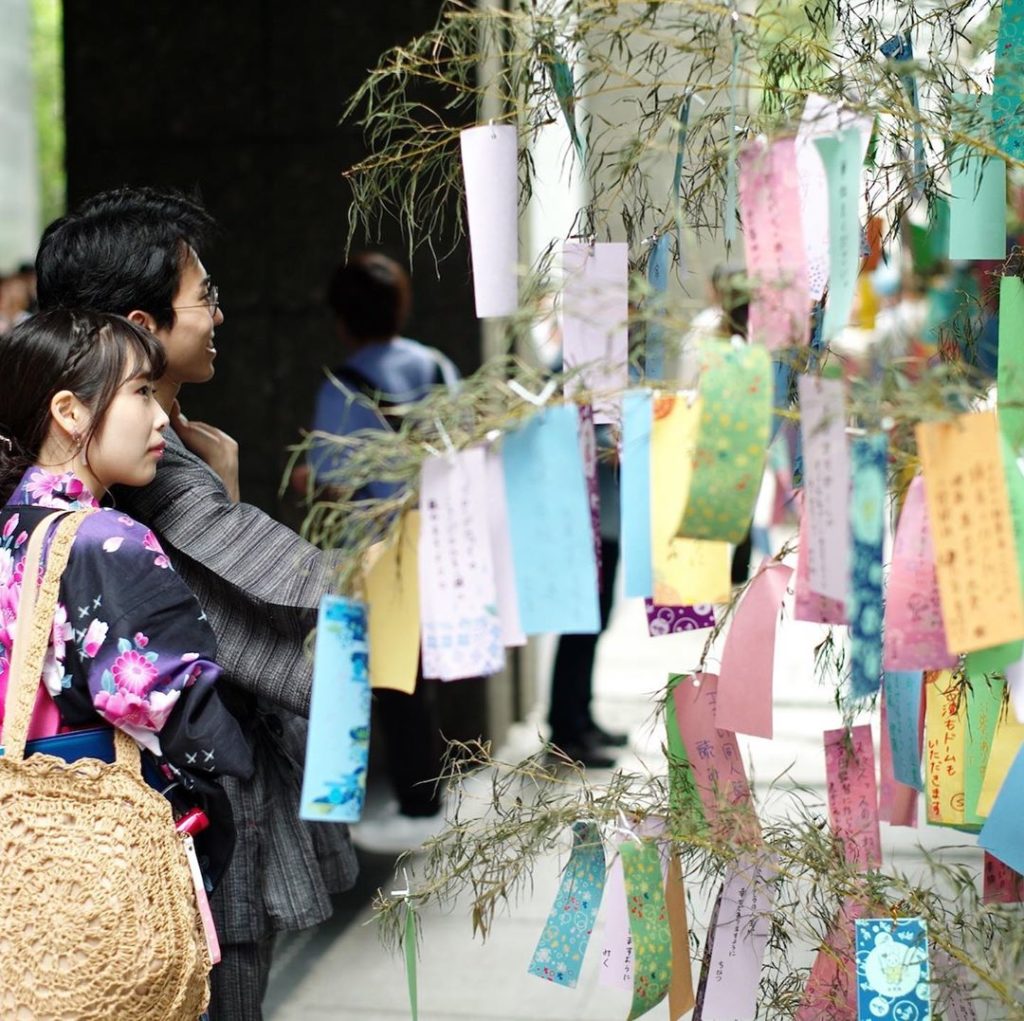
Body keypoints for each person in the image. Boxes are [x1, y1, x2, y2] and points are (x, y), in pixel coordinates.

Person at [35, 187, 357, 1021]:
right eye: (204, 296)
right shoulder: (135, 503)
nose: (220, 315)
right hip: (178, 845)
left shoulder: (60, 495)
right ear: (141, 327)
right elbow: (224, 687)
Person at [0, 310, 255, 871]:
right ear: (69, 411)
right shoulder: (107, 538)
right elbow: (170, 704)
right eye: (141, 392)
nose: (161, 417)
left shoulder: (15, 525)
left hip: (28, 834)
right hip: (106, 843)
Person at [305, 252, 458, 854]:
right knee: (413, 677)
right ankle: (423, 798)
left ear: (342, 320)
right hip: (434, 542)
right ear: (402, 306)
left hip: (365, 550)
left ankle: (336, 810)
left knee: (346, 670)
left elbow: (332, 483)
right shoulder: (437, 366)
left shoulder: (342, 386)